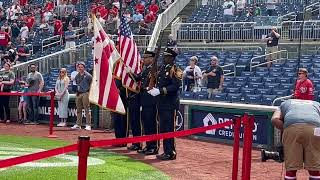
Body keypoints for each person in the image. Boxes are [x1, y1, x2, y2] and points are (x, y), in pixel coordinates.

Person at [271, 99, 320, 180]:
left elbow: (274, 119)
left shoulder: (286, 103)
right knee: (315, 169)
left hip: (291, 129)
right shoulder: (317, 104)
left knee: (291, 169)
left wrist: (287, 128)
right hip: (314, 130)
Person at [148, 48, 182, 160]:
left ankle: (171, 152)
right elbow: (158, 80)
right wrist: (154, 89)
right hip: (162, 103)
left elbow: (175, 86)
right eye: (164, 56)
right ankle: (166, 151)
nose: (165, 58)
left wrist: (161, 91)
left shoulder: (176, 69)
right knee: (163, 128)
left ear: (172, 58)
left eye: (167, 56)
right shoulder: (163, 68)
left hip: (170, 104)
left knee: (169, 128)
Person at [127, 50, 159, 155]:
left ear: (152, 59)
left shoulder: (155, 69)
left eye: (146, 58)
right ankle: (148, 145)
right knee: (146, 124)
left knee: (151, 124)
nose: (143, 60)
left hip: (151, 101)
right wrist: (130, 72)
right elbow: (138, 78)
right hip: (144, 100)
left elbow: (155, 84)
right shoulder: (146, 69)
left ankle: (153, 146)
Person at [71, 62, 92, 130]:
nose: (80, 68)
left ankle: (88, 125)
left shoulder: (88, 75)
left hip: (85, 93)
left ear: (84, 68)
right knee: (78, 110)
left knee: (87, 109)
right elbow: (77, 84)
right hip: (78, 93)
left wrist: (89, 92)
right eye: (79, 67)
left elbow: (91, 84)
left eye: (81, 67)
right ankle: (78, 124)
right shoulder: (77, 75)